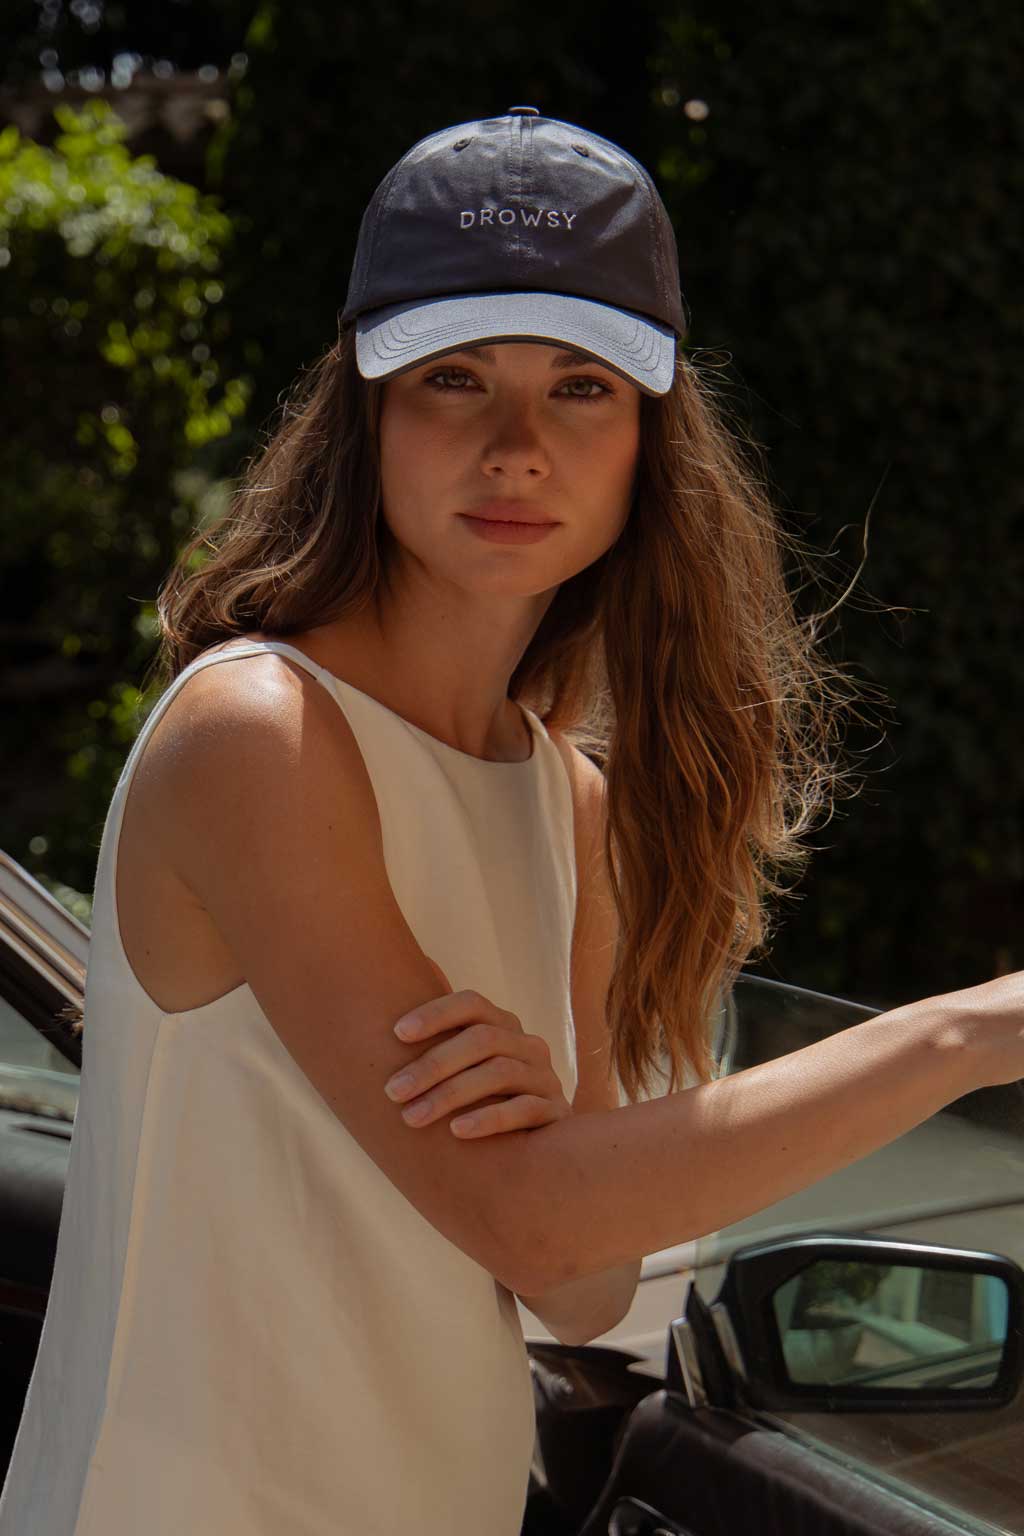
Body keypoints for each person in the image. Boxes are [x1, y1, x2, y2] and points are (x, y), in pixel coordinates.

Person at [1, 105, 1020, 1536]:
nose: (518, 447)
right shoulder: (260, 734)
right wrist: (967, 1034)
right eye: (455, 377)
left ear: (649, 439)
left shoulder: (567, 801)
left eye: (582, 387)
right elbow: (533, 1217)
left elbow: (580, 1283)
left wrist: (549, 1129)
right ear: (366, 412)